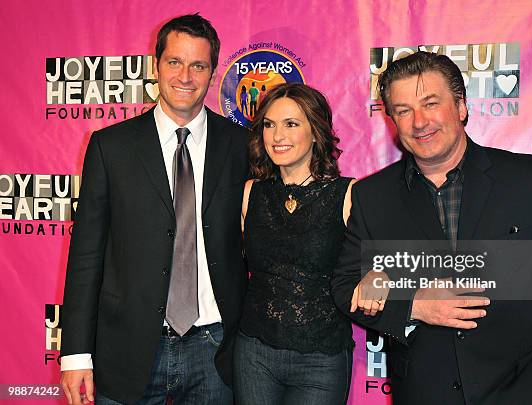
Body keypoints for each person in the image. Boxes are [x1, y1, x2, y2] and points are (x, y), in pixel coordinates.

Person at [331, 51, 532, 405]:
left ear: (460, 107)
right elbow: (345, 286)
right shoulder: (372, 196)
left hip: (522, 390)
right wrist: (413, 305)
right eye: (403, 110)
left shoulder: (529, 181)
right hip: (423, 394)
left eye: (431, 103)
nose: (419, 122)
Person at [59, 14, 248, 405]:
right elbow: (86, 256)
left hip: (215, 350)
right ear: (156, 65)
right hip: (127, 349)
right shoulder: (111, 147)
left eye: (198, 65)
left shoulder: (242, 146)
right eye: (174, 62)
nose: (185, 76)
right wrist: (76, 354)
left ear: (213, 73)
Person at [233, 83, 356, 405]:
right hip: (254, 353)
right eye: (269, 125)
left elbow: (379, 264)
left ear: (315, 132)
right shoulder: (251, 193)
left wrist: (377, 278)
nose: (277, 136)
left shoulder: (347, 195)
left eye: (291, 124)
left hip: (321, 358)